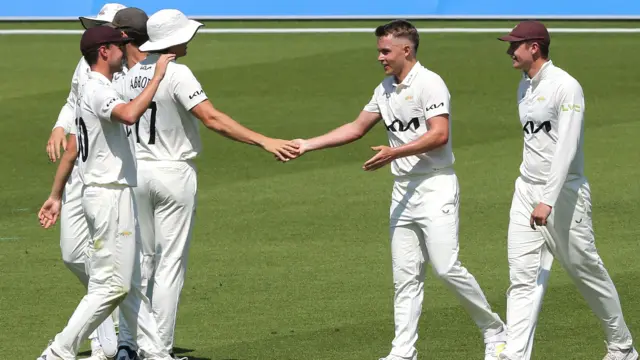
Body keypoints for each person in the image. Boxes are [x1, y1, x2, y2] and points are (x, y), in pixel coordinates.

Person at [290, 19, 506, 360]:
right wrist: (307, 144)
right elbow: (357, 127)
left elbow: (439, 134)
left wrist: (395, 152)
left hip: (435, 185)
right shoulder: (385, 88)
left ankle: (494, 330)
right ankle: (403, 351)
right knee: (405, 276)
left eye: (385, 51)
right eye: (379, 51)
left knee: (447, 267)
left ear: (406, 49)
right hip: (402, 191)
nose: (380, 57)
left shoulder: (430, 83)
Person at [114, 8, 299, 359]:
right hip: (172, 173)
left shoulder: (128, 75)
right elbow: (212, 118)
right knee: (169, 266)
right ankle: (159, 351)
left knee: (142, 263)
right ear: (175, 38)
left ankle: (130, 342)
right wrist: (264, 141)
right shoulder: (177, 73)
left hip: (136, 173)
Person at [496, 20, 637, 360]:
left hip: (563, 195)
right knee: (522, 276)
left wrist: (547, 199)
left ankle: (622, 346)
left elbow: (566, 148)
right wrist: (532, 193)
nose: (508, 51)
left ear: (534, 47)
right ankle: (515, 354)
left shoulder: (565, 86)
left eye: (514, 44)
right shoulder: (524, 87)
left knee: (585, 269)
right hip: (525, 190)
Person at [37, 25, 175, 360]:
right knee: (112, 286)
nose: (125, 51)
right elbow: (127, 114)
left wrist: (56, 195)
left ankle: (156, 353)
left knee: (125, 283)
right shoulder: (98, 88)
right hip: (109, 195)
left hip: (107, 192)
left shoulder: (90, 84)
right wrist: (156, 77)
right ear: (103, 51)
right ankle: (58, 351)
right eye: (120, 46)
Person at [43, 3, 126, 359]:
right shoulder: (90, 63)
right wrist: (61, 124)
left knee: (115, 271)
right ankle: (110, 332)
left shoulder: (126, 68)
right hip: (80, 171)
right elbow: (74, 100)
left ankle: (113, 339)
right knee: (73, 253)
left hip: (108, 175)